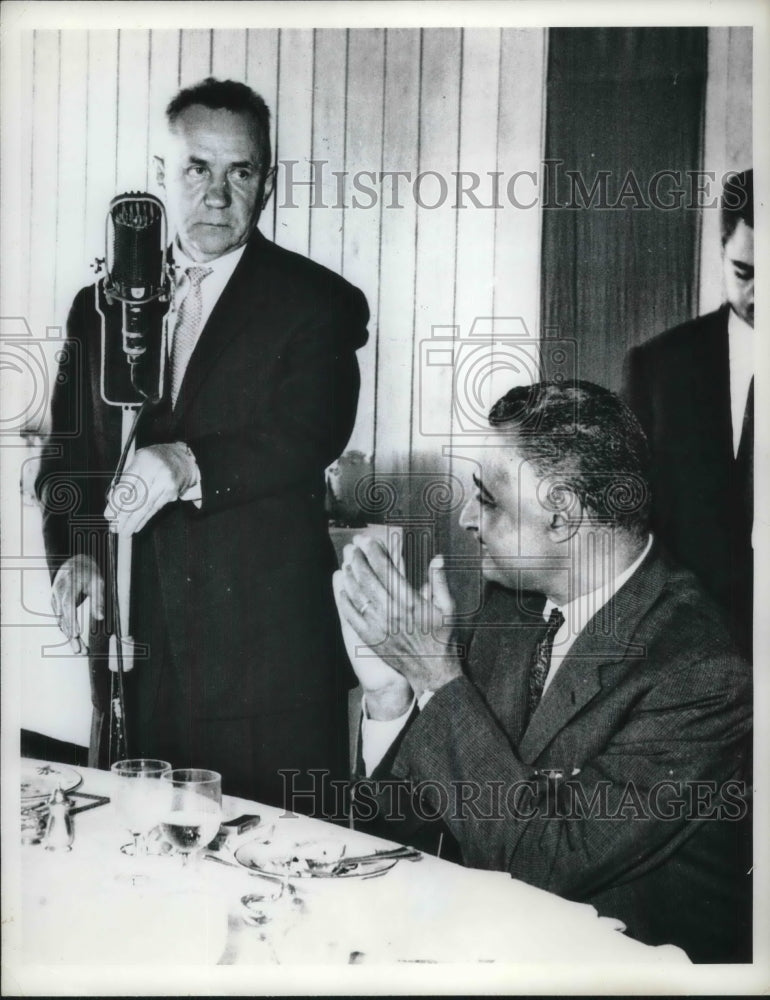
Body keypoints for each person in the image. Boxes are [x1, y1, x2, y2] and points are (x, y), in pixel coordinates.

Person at [334, 380, 752, 963]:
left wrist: (437, 676)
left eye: (487, 499)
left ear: (562, 517)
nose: (466, 517)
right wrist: (391, 699)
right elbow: (431, 826)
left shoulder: (703, 670)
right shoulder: (515, 606)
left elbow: (541, 860)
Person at [36, 78, 369, 805]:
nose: (217, 194)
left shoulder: (317, 304)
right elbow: (67, 457)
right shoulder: (97, 309)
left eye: (240, 171)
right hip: (132, 659)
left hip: (264, 675)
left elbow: (309, 428)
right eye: (197, 168)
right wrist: (80, 556)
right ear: (162, 177)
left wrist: (186, 461)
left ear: (268, 182)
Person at [622, 169, 754, 659]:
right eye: (745, 272)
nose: (760, 295)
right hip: (688, 648)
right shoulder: (659, 367)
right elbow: (634, 519)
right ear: (722, 247)